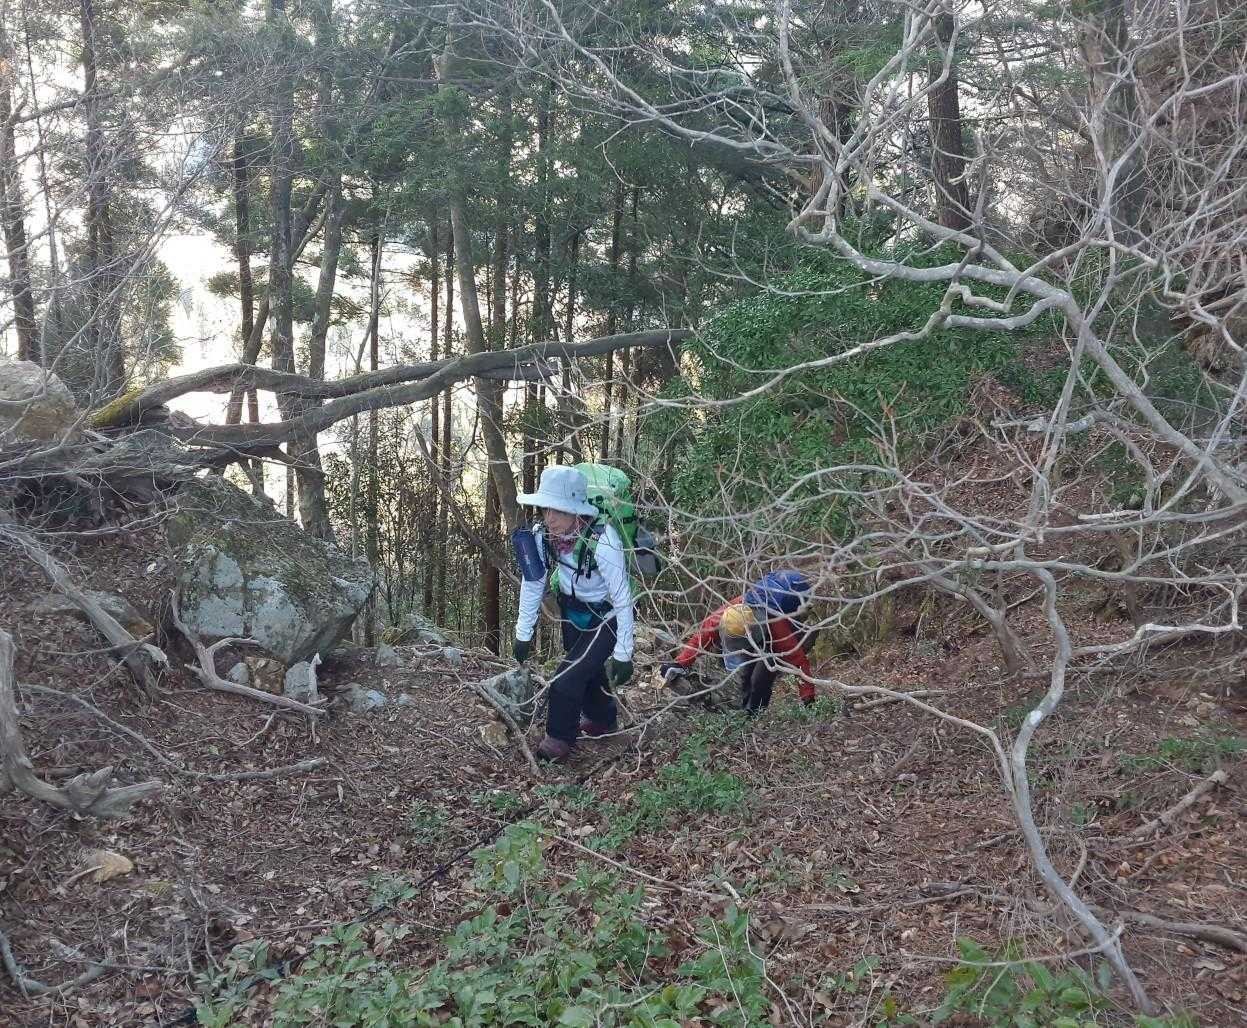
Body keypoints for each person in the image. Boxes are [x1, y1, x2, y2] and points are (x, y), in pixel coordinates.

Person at [512, 465, 635, 762]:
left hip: (607, 616)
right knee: (587, 669)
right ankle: (603, 719)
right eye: (546, 509)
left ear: (576, 511)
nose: (550, 518)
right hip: (573, 609)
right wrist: (523, 632)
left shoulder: (604, 541)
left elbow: (622, 597)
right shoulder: (543, 536)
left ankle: (559, 738)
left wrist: (624, 652)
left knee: (567, 677)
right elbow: (533, 581)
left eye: (559, 510)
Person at [660, 569, 817, 713]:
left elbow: (798, 662)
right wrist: (679, 663)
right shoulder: (727, 615)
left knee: (760, 679)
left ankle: (755, 713)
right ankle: (746, 711)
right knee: (746, 673)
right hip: (759, 626)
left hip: (787, 616)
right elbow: (702, 638)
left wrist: (808, 698)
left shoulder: (778, 629)